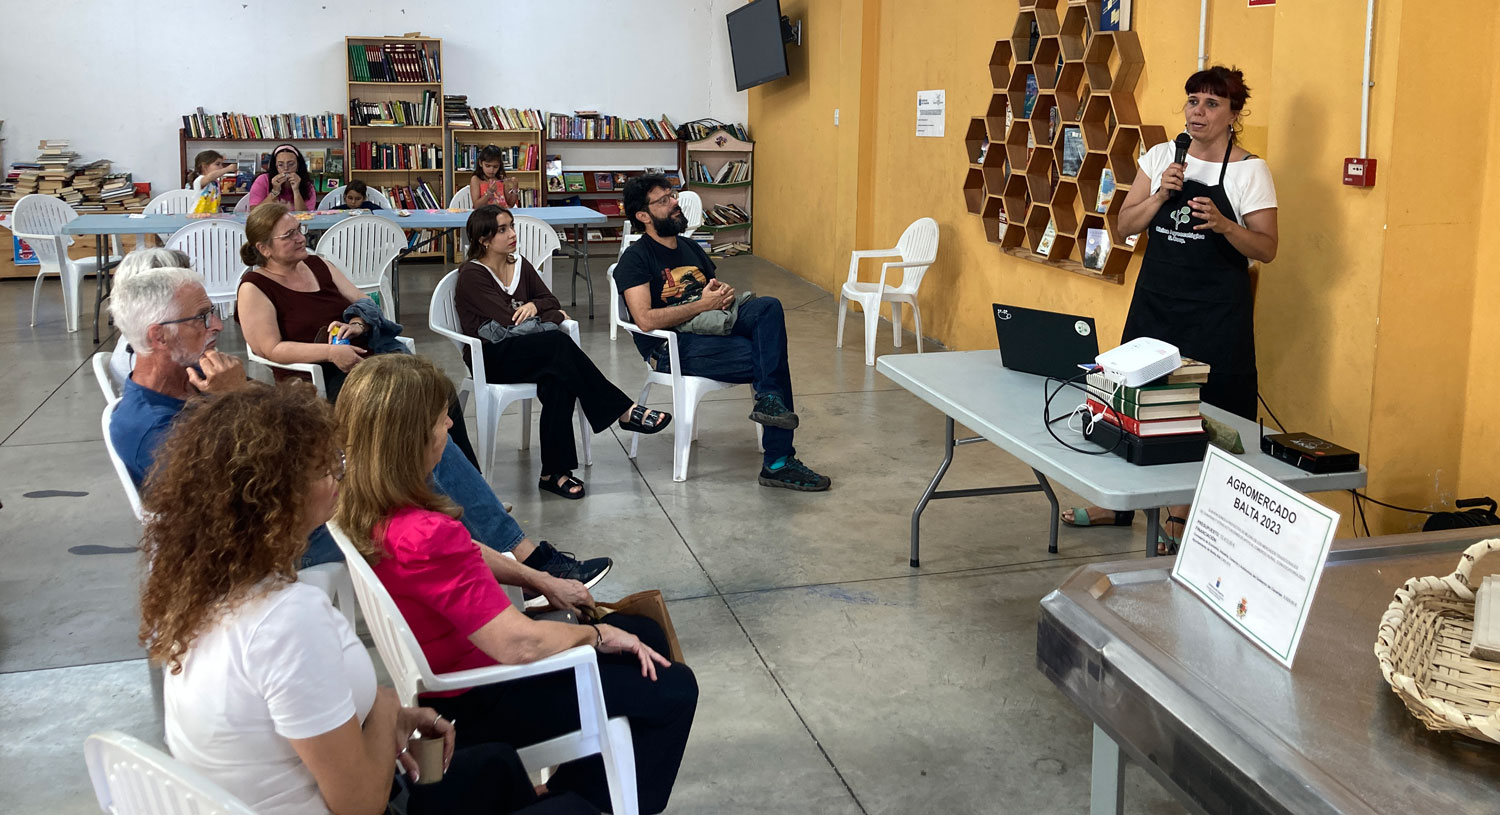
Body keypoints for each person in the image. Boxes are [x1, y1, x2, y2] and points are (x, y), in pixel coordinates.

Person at [139, 382, 600, 815]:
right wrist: (382, 709)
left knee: (494, 763)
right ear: (275, 498)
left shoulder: (201, 592)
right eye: (325, 468)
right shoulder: (285, 620)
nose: (340, 474)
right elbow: (359, 802)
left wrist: (398, 719)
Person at [108, 248, 610, 587]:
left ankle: (522, 560)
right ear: (157, 337)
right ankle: (527, 571)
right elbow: (254, 497)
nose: (217, 325)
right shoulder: (154, 426)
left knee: (416, 435)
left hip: (301, 498)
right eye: (201, 319)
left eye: (212, 312)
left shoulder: (187, 386)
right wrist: (237, 401)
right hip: (281, 540)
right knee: (412, 475)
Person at [334, 354, 698, 815]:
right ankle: (596, 802)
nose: (449, 423)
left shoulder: (368, 505)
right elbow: (517, 644)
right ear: (410, 440)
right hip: (482, 698)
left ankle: (567, 789)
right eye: (439, 418)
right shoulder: (427, 535)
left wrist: (540, 578)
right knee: (675, 687)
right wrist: (598, 635)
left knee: (645, 635)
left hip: (450, 680)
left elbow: (467, 550)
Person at [1066, 65, 1278, 552]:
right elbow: (1122, 227)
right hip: (1156, 303)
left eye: (1211, 104)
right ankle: (1117, 505)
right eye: (1192, 101)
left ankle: (1183, 515)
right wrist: (1162, 192)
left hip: (1216, 311)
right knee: (1132, 400)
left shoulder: (1250, 170)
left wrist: (1225, 225)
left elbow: (1266, 249)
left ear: (1233, 115)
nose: (1198, 112)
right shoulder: (1163, 155)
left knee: (1204, 411)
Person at [615, 175, 831, 491]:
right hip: (671, 347)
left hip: (710, 330)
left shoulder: (690, 247)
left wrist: (721, 295)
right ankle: (778, 461)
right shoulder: (635, 258)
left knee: (767, 307)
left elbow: (708, 294)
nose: (675, 202)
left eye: (672, 195)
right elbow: (645, 320)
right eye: (663, 200)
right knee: (768, 357)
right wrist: (703, 305)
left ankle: (769, 401)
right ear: (643, 216)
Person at [455, 205, 671, 499]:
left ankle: (553, 473)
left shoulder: (520, 265)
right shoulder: (472, 274)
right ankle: (622, 410)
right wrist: (554, 315)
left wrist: (535, 306)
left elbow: (547, 298)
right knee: (557, 344)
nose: (512, 234)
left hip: (533, 352)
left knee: (559, 380)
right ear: (484, 239)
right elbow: (508, 319)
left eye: (511, 226)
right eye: (503, 229)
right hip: (492, 357)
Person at [245, 144, 316, 211]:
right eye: (280, 165)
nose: (286, 168)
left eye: (291, 164)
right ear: (276, 167)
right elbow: (254, 212)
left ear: (298, 166)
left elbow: (306, 216)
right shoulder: (263, 180)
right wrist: (275, 191)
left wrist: (296, 191)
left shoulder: (307, 185)